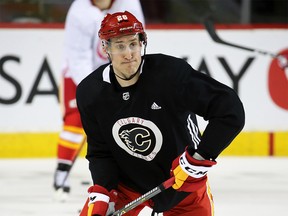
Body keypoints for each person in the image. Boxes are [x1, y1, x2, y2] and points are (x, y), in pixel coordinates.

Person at [76, 11, 245, 216]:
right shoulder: (91, 92)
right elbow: (101, 152)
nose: (129, 53)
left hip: (183, 186)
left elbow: (229, 109)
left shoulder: (170, 75)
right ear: (105, 48)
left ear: (142, 44)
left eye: (133, 44)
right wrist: (103, 193)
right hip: (125, 189)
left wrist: (198, 159)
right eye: (120, 46)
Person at [53, 0, 144, 201]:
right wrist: (97, 90)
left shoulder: (129, 3)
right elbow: (77, 57)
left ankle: (124, 176)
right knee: (75, 120)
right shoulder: (79, 11)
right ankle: (61, 174)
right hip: (78, 74)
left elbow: (136, 41)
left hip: (117, 71)